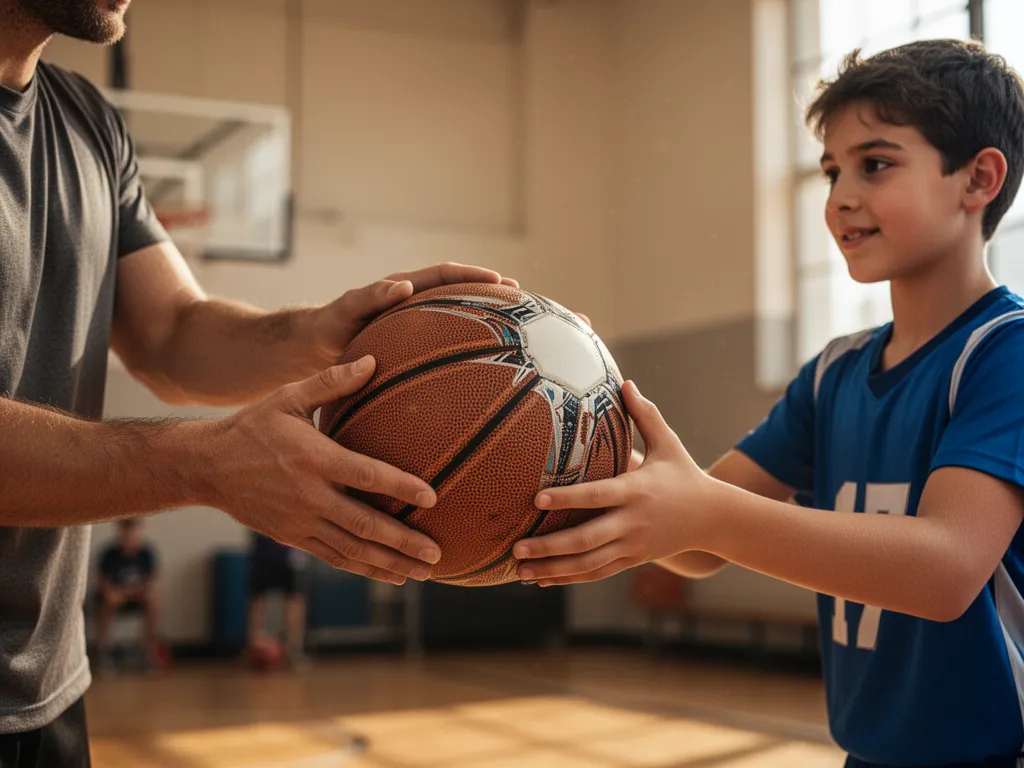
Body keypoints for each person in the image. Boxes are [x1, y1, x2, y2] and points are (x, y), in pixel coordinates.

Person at [0, 0, 516, 764]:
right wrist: (206, 464)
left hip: (46, 686)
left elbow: (171, 335)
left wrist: (321, 333)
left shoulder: (88, 122)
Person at [516, 39, 1024, 767]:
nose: (840, 197)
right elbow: (697, 545)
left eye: (875, 164)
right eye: (831, 171)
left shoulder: (1005, 351)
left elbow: (944, 571)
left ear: (978, 179)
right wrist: (576, 456)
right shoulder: (833, 374)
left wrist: (703, 511)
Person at [95, 520, 162, 674]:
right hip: (115, 598)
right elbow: (103, 583)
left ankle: (149, 652)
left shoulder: (146, 554)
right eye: (127, 532)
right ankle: (103, 652)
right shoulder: (109, 554)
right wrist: (116, 593)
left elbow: (151, 582)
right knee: (108, 600)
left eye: (133, 532)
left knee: (154, 601)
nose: (130, 536)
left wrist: (132, 592)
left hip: (137, 597)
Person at [247, 532, 310, 670]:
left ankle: (293, 650)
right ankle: (256, 648)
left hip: (290, 552)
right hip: (266, 550)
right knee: (260, 598)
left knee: (293, 600)